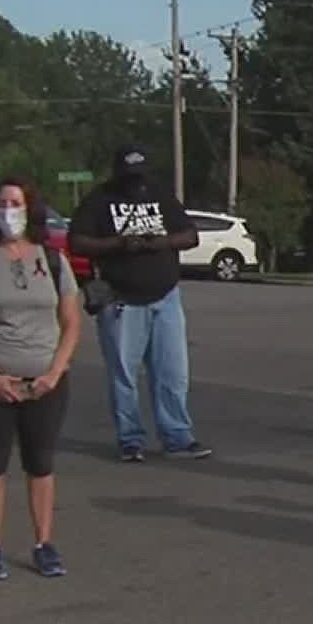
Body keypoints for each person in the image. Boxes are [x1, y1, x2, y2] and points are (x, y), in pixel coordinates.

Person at [0, 177, 82, 581]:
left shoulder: (52, 260)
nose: (8, 210)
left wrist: (54, 371)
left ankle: (44, 543)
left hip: (44, 381)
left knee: (40, 464)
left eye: (15, 203)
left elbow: (70, 321)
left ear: (30, 209)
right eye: (2, 203)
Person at [70, 149, 211, 462]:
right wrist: (119, 244)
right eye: (131, 178)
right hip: (121, 299)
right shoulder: (100, 200)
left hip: (166, 296)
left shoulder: (160, 194)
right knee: (124, 375)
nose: (138, 184)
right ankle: (130, 439)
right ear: (118, 175)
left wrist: (158, 241)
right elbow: (77, 241)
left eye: (142, 177)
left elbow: (189, 236)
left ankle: (177, 436)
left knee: (173, 373)